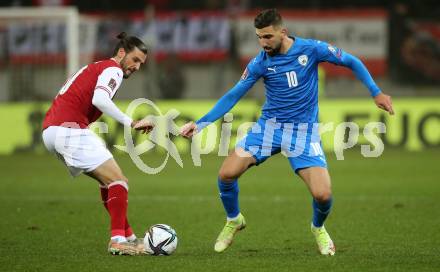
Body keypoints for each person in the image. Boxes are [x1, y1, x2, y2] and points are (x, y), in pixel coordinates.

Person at [180, 9, 394, 256]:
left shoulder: (311, 49)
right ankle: (234, 220)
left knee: (323, 195)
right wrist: (202, 123)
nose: (263, 43)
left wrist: (376, 92)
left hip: (302, 133)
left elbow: (351, 61)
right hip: (268, 129)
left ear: (283, 32)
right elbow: (233, 95)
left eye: (268, 37)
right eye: (259, 37)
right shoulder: (260, 62)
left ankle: (318, 227)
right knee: (226, 174)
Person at [42, 32, 154, 255]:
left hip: (53, 131)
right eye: (135, 60)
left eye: (141, 64)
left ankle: (128, 236)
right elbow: (100, 100)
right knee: (119, 180)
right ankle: (118, 240)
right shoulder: (113, 69)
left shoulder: (98, 67)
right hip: (68, 129)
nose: (137, 67)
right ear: (121, 52)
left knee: (109, 182)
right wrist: (131, 122)